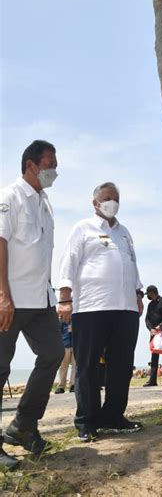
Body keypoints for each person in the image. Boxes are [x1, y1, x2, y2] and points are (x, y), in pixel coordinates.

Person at [57, 182, 144, 442]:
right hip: (91, 308)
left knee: (121, 366)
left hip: (125, 309)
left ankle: (113, 416)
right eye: (107, 198)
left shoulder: (125, 232)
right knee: (88, 366)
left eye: (115, 198)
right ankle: (87, 421)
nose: (112, 202)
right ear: (95, 202)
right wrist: (64, 298)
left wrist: (138, 294)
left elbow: (132, 264)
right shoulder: (83, 228)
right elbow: (68, 263)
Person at [0, 140, 64, 469]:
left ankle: (23, 425)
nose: (55, 170)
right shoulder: (10, 196)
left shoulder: (45, 202)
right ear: (30, 165)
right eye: (49, 164)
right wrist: (3, 296)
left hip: (41, 299)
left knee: (53, 354)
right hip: (11, 298)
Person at [55, 320, 75, 393]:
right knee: (63, 366)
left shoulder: (77, 318)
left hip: (75, 345)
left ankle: (73, 385)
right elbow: (58, 333)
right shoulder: (62, 320)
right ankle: (61, 386)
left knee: (75, 366)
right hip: (64, 345)